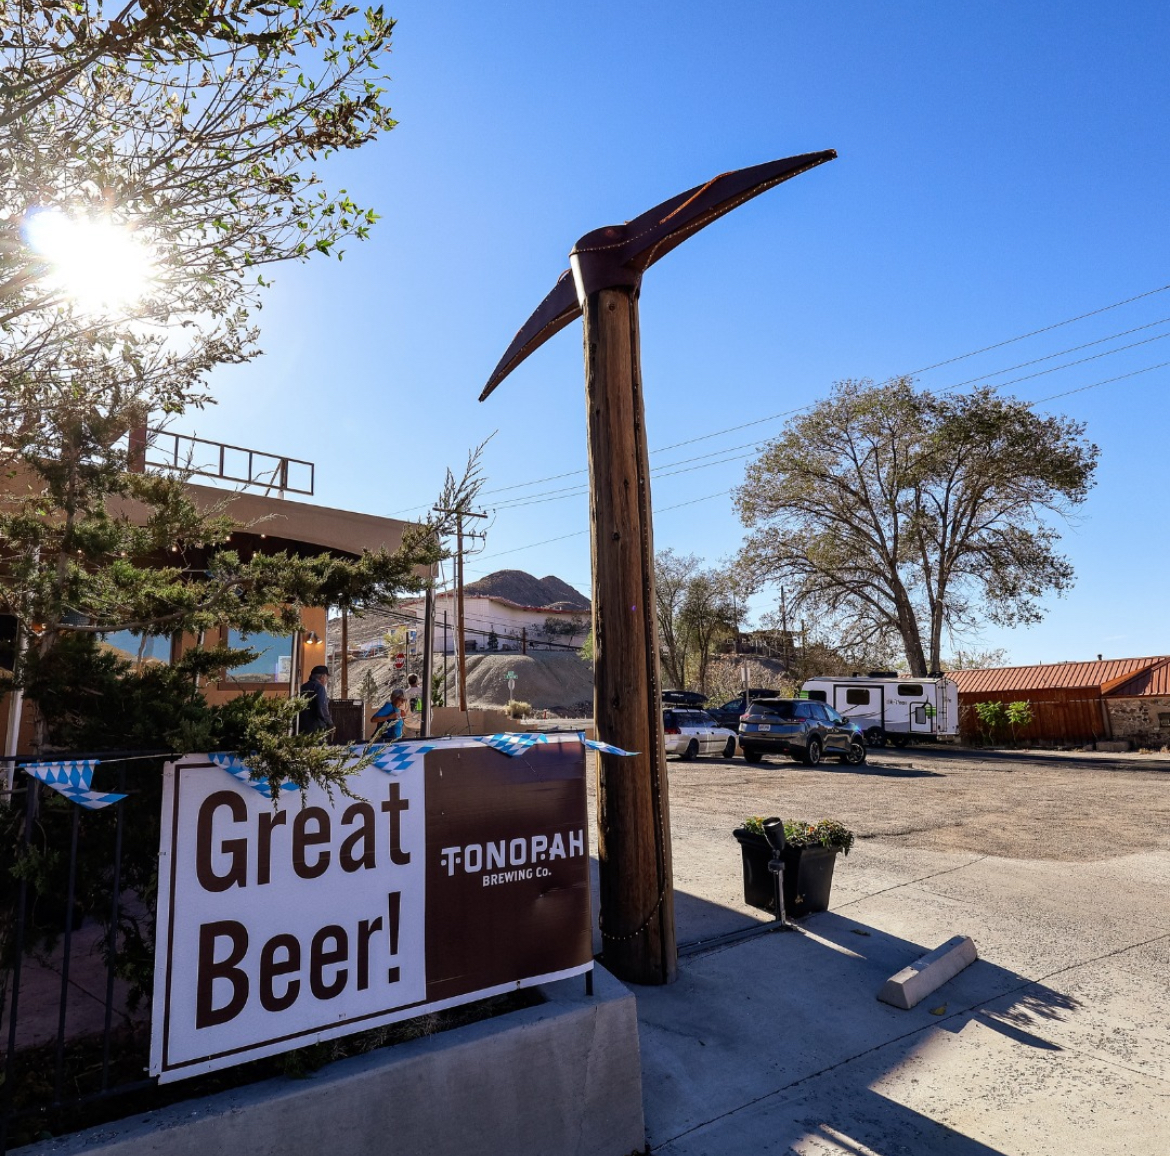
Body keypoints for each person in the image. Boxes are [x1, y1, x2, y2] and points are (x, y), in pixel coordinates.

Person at [298, 665, 334, 734]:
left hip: (301, 727)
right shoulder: (319, 688)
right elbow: (322, 708)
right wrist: (330, 723)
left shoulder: (303, 687)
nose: (326, 680)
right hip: (315, 728)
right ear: (322, 677)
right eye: (326, 678)